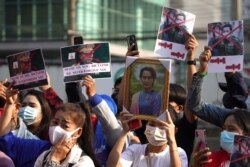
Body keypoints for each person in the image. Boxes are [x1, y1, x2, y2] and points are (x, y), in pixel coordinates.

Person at [0, 103, 100, 167]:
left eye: (65, 125)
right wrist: (9, 105)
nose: (57, 128)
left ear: (77, 132)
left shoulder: (83, 162)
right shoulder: (45, 154)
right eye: (55, 123)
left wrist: (54, 160)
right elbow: (6, 140)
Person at [106, 109, 188, 167]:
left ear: (174, 130)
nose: (156, 129)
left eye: (162, 126)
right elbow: (112, 165)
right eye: (152, 124)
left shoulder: (179, 153)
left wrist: (172, 140)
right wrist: (124, 132)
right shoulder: (135, 150)